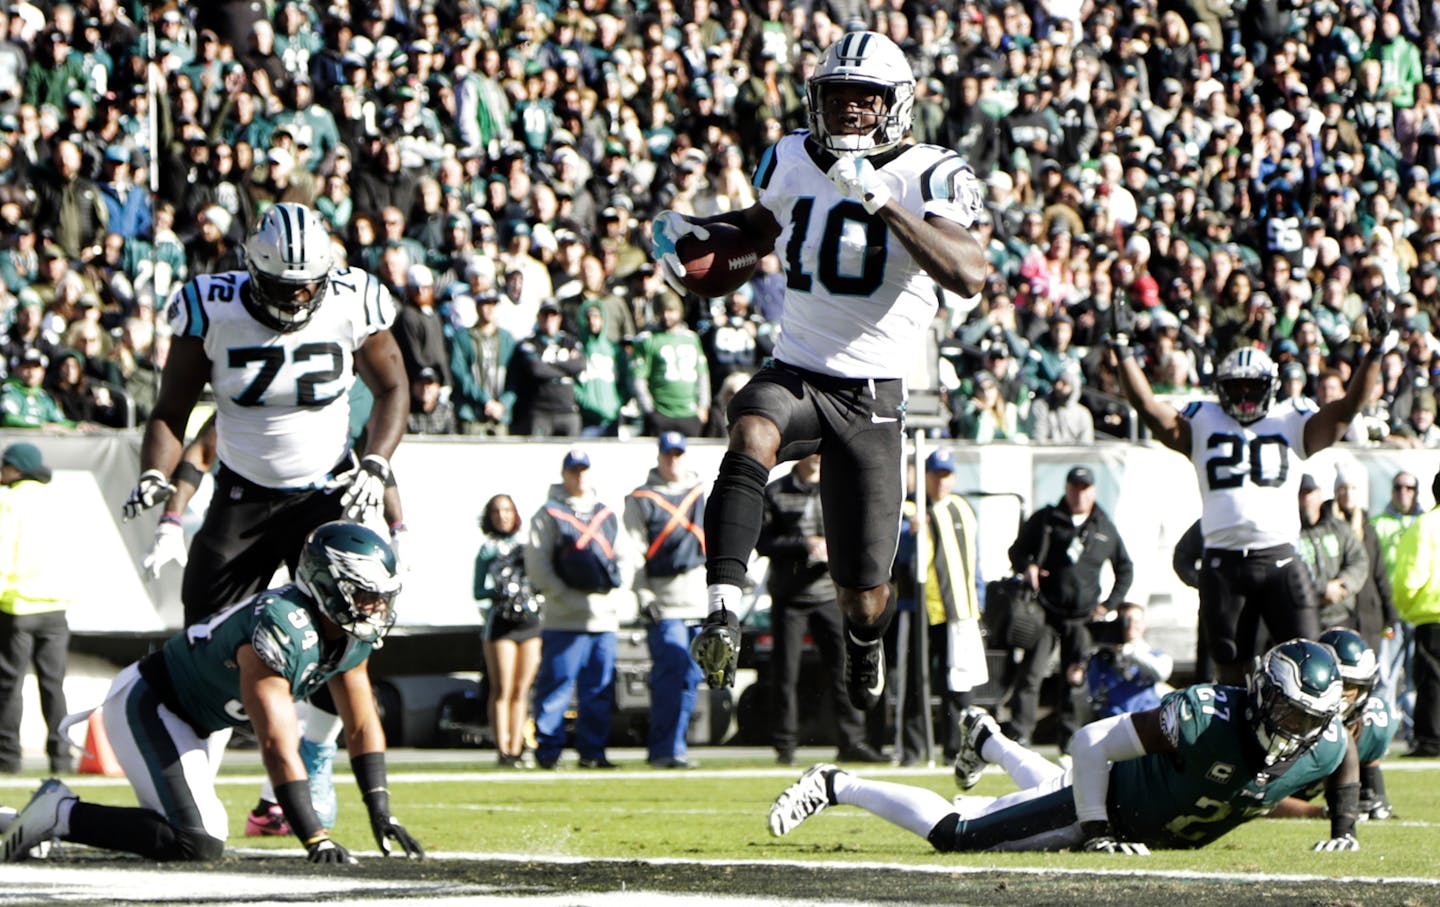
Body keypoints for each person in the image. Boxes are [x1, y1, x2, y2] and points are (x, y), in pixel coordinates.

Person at [652, 30, 988, 711]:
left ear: (894, 104)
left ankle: (866, 645)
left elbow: (970, 273)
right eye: (838, 99)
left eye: (865, 100)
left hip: (872, 398)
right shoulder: (790, 158)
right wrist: (698, 232)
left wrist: (881, 200)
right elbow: (761, 226)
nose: (850, 113)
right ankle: (722, 606)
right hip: (798, 371)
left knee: (862, 589)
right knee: (750, 427)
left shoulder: (930, 171)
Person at [119, 202, 408, 835]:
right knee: (205, 643)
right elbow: (172, 408)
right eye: (286, 285)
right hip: (244, 497)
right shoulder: (212, 307)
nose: (301, 296)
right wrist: (155, 473)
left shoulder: (352, 297)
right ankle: (192, 781)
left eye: (310, 283)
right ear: (253, 270)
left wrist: (378, 462)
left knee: (351, 633)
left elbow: (393, 389)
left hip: (327, 491)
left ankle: (318, 750)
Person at [0, 522, 424, 865]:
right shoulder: (282, 628)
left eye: (380, 597)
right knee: (197, 840)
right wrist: (315, 837)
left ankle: (20, 822)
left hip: (205, 718)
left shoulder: (348, 633)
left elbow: (363, 722)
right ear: (327, 584)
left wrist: (381, 809)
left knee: (194, 830)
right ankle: (61, 813)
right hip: (153, 704)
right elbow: (277, 744)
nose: (375, 608)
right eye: (366, 594)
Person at [769, 639, 1357, 854]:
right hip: (1106, 804)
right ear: (1260, 691)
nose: (1292, 726)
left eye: (1306, 717)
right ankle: (834, 783)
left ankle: (986, 739)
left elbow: (1345, 755)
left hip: (1137, 817)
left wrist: (1346, 826)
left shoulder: (1324, 745)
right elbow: (1089, 742)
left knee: (1045, 785)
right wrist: (1097, 828)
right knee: (958, 834)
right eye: (1284, 707)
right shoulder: (1208, 717)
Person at [1112, 303, 1386, 684]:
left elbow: (1346, 409)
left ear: (1269, 387)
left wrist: (1375, 352)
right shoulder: (1203, 421)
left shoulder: (1292, 419)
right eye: (1235, 387)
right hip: (1223, 565)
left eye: (1252, 387)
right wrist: (1123, 348)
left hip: (1280, 560)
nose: (1243, 396)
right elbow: (1146, 406)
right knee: (1230, 676)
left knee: (1312, 670)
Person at [757, 453, 885, 767]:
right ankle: (785, 746)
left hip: (830, 594)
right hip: (790, 597)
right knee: (785, 674)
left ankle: (852, 741)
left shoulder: (838, 488)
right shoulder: (775, 492)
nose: (816, 458)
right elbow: (763, 542)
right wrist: (804, 545)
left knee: (844, 669)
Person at [1003, 466, 1133, 750]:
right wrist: (1029, 567)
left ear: (1093, 491)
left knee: (1076, 678)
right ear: (1066, 488)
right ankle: (1020, 734)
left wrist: (1108, 605)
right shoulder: (1048, 519)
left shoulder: (1103, 526)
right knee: (1032, 673)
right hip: (1046, 611)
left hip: (1083, 616)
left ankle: (1072, 739)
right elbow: (1016, 551)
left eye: (1084, 488)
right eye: (1074, 487)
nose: (1079, 494)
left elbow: (1125, 568)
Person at [524, 449, 636, 769]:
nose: (579, 476)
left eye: (584, 470)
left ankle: (593, 752)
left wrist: (616, 597)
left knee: (598, 690)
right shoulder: (548, 514)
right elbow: (537, 563)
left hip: (603, 618)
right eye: (574, 471)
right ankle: (547, 752)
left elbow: (625, 558)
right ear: (564, 475)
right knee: (556, 687)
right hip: (564, 618)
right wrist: (561, 595)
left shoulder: (607, 514)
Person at [893, 447, 986, 764]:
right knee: (915, 680)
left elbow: (974, 559)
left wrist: (980, 596)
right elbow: (897, 553)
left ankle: (956, 747)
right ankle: (912, 748)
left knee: (958, 683)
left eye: (947, 476)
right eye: (936, 475)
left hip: (957, 609)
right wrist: (910, 534)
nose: (941, 482)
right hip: (918, 607)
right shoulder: (908, 509)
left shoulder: (963, 508)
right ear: (926, 477)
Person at [623, 432, 707, 769]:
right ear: (659, 458)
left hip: (699, 600)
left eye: (678, 454)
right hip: (664, 600)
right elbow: (632, 551)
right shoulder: (642, 498)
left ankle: (677, 746)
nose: (673, 461)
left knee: (691, 676)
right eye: (667, 455)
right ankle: (663, 749)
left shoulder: (703, 493)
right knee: (670, 672)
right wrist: (642, 593)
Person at [1270, 628, 1397, 825]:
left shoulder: (1370, 725)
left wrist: (1374, 802)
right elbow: (1254, 799)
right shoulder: (1288, 723)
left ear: (1364, 690)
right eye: (1337, 683)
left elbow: (1374, 794)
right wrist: (1318, 811)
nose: (1342, 694)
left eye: (1350, 686)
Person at [0, 444, 71, 774]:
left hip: (17, 605)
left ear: (16, 469)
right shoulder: (57, 500)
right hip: (56, 605)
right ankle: (61, 757)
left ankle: (8, 758)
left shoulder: (8, 501)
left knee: (10, 685)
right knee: (53, 685)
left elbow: (3, 551)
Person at [474, 493, 543, 769]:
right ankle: (503, 748)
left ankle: (518, 745)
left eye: (507, 510)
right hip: (501, 624)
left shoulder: (527, 546)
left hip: (529, 623)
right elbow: (477, 590)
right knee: (502, 688)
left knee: (521, 689)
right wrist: (503, 592)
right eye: (496, 511)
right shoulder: (488, 550)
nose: (502, 516)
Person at [1390, 467, 1440, 757]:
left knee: (1431, 679)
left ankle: (1431, 739)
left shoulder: (1425, 525)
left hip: (1431, 613)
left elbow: (1410, 577)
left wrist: (1406, 606)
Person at [1297, 473, 1368, 630]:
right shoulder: (1289, 533)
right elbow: (1287, 571)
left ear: (1320, 495)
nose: (1306, 499)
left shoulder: (1339, 529)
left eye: (1310, 493)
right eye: (1301, 494)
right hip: (1304, 618)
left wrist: (1342, 585)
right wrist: (1323, 590)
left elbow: (1359, 560)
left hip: (1341, 617)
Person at [1081, 603, 1174, 722]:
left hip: (1147, 722)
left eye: (1136, 621)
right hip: (1114, 724)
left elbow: (1161, 673)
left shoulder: (1155, 656)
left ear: (1143, 624)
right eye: (1125, 621)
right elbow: (1089, 695)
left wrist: (1128, 651)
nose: (1130, 625)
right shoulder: (1102, 659)